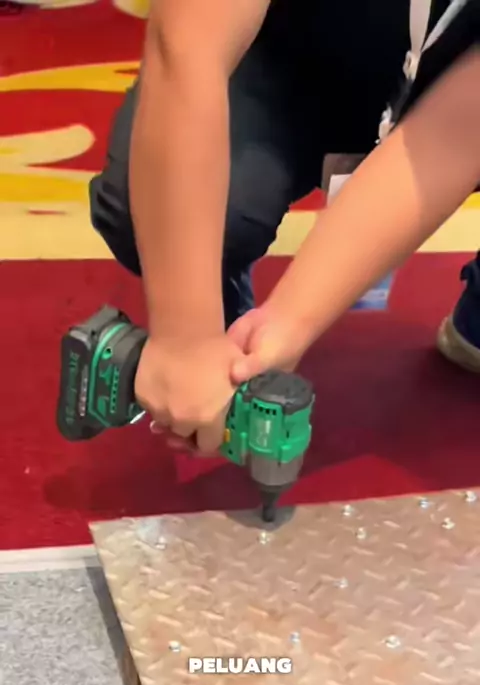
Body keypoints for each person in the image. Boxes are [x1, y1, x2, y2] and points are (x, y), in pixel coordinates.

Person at [89, 0, 480, 455]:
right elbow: (189, 50)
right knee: (153, 207)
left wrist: (291, 322)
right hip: (289, 56)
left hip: (442, 75)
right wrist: (186, 333)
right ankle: (218, 289)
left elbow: (456, 133)